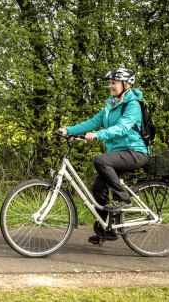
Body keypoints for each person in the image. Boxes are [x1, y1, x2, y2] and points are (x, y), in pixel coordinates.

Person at [58, 67, 150, 245]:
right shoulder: (111, 104)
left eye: (113, 83)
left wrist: (99, 135)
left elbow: (122, 128)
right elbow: (93, 121)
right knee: (98, 188)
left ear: (126, 84)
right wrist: (68, 130)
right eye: (109, 83)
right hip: (119, 153)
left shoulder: (133, 105)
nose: (110, 86)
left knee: (100, 160)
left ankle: (124, 198)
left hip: (136, 152)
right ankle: (106, 229)